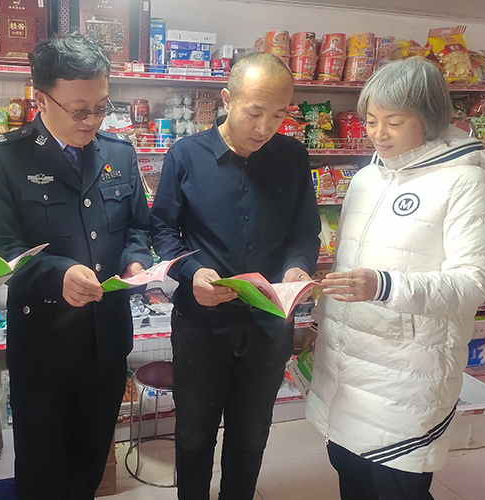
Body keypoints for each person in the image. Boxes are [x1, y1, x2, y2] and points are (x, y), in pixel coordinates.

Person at [306, 57, 485, 500]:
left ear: (429, 119)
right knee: (351, 476)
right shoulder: (365, 179)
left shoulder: (464, 183)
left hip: (408, 377)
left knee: (396, 487)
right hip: (345, 372)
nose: (379, 133)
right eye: (371, 120)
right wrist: (320, 304)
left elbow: (473, 282)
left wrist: (385, 285)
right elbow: (349, 266)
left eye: (394, 122)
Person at [0, 33, 152, 499]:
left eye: (101, 108)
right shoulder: (4, 157)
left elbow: (138, 227)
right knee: (43, 470)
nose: (92, 121)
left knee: (90, 463)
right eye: (78, 110)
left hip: (107, 341)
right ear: (41, 99)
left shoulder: (119, 152)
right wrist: (58, 274)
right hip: (43, 346)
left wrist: (136, 263)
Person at [150, 53, 321, 499]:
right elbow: (163, 230)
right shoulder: (186, 155)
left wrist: (298, 266)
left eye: (278, 115)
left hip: (268, 323)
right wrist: (191, 272)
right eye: (255, 112)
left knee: (251, 434)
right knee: (193, 434)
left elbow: (305, 231)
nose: (265, 128)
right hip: (202, 323)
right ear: (228, 99)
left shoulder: (292, 156)